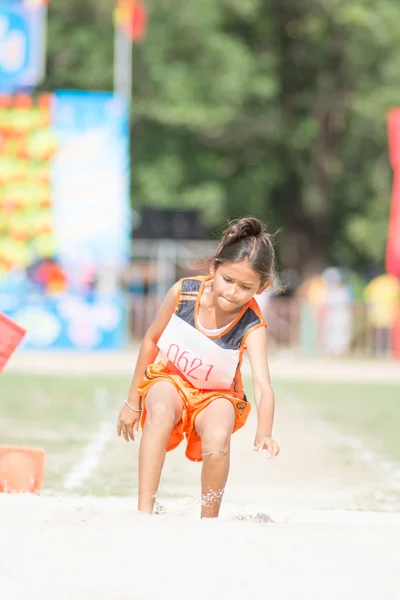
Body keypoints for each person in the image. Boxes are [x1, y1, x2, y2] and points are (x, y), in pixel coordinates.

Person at [117, 217, 280, 518]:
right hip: (171, 382)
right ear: (213, 268)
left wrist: (265, 431)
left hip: (217, 397)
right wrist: (133, 400)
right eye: (227, 280)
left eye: (246, 287)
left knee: (218, 439)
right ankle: (143, 512)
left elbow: (262, 385)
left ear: (262, 287)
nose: (233, 292)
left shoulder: (252, 325)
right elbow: (152, 340)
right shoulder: (184, 292)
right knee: (161, 411)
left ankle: (209, 519)